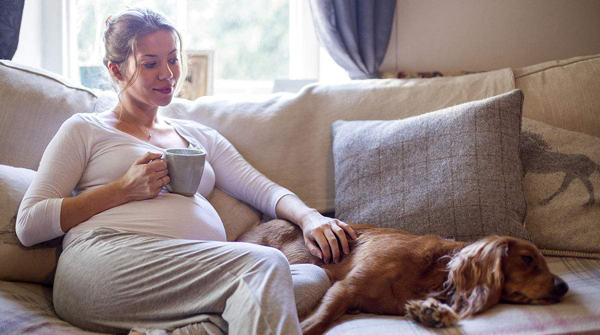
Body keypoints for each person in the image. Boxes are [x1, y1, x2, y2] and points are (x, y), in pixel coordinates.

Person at [16, 7, 356, 335]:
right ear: (116, 71)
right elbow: (29, 224)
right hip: (104, 263)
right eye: (150, 63)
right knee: (266, 266)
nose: (168, 73)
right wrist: (122, 189)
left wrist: (311, 217)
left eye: (173, 58)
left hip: (189, 278)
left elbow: (263, 190)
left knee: (311, 279)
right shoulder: (86, 129)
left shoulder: (198, 136)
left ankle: (187, 330)